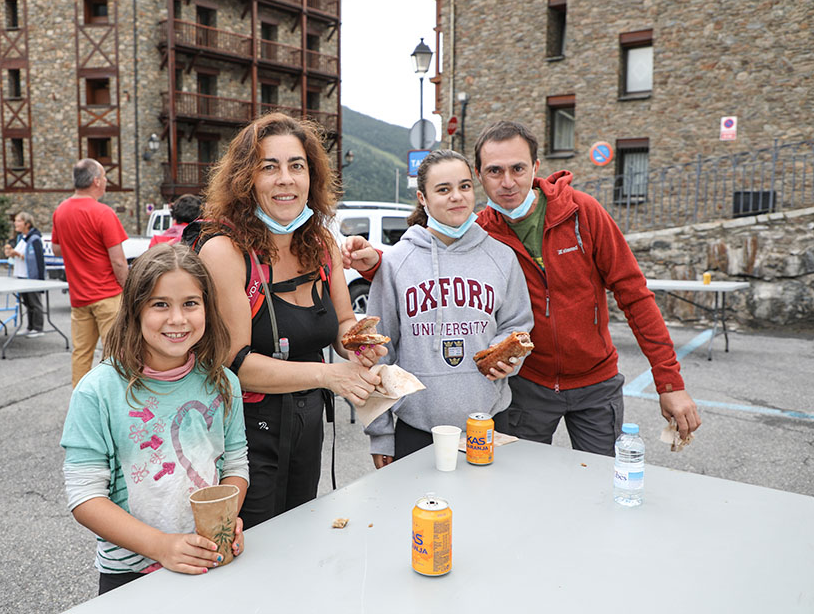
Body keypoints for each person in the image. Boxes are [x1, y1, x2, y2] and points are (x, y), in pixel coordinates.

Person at [345, 121, 701, 456]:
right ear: (481, 177)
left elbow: (635, 295)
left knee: (601, 488)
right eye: (494, 172)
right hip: (527, 388)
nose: (507, 182)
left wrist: (670, 383)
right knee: (522, 496)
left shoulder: (583, 214)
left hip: (595, 382)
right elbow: (430, 257)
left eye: (517, 168)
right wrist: (380, 263)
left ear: (536, 167)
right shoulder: (483, 229)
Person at [198, 113, 385, 529]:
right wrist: (329, 376)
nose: (286, 179)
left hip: (307, 424)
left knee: (300, 534)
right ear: (246, 180)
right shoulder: (225, 252)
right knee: (256, 548)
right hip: (243, 434)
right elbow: (235, 364)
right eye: (270, 167)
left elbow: (343, 324)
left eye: (296, 166)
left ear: (311, 177)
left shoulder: (320, 243)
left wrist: (360, 343)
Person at [60, 244, 248, 595]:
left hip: (209, 560)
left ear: (208, 307)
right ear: (134, 309)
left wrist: (224, 522)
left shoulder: (225, 382)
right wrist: (162, 546)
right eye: (160, 304)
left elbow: (236, 465)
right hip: (129, 577)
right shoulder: (96, 392)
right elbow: (85, 497)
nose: (177, 319)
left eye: (191, 303)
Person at [364, 149, 533, 467]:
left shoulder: (501, 257)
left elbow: (517, 324)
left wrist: (510, 357)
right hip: (416, 428)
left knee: (488, 513)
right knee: (420, 515)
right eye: (443, 189)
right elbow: (378, 353)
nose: (457, 197)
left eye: (465, 186)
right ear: (422, 198)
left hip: (487, 422)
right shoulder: (397, 263)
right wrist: (381, 433)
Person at [51, 159, 130, 387]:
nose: (105, 182)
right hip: (107, 296)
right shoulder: (103, 213)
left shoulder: (61, 211)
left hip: (79, 296)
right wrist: (128, 289)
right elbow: (118, 260)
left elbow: (57, 249)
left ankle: (80, 401)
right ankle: (115, 400)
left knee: (81, 353)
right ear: (96, 181)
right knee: (116, 353)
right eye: (104, 177)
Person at [3, 211, 46, 336]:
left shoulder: (34, 239)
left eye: (18, 221)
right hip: (21, 275)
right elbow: (19, 255)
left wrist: (17, 254)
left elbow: (36, 259)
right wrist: (11, 254)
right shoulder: (21, 238)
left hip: (31, 276)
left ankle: (38, 328)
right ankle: (30, 326)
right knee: (27, 303)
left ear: (27, 224)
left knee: (35, 303)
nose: (15, 223)